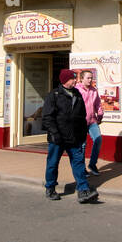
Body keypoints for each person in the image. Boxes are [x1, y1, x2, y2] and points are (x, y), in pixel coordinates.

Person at [41, 68, 97, 203]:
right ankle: (50, 188)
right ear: (66, 80)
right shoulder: (54, 95)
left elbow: (82, 115)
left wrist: (83, 133)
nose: (75, 81)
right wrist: (54, 133)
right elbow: (47, 117)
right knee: (53, 164)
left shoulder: (77, 94)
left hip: (75, 137)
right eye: (73, 79)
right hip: (58, 138)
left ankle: (83, 190)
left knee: (78, 163)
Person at [75, 70, 104, 174]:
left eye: (91, 78)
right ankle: (82, 169)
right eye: (88, 78)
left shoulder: (94, 90)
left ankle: (92, 164)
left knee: (98, 140)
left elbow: (98, 104)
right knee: (82, 146)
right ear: (81, 79)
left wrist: (100, 115)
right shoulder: (77, 90)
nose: (90, 80)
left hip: (92, 121)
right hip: (81, 122)